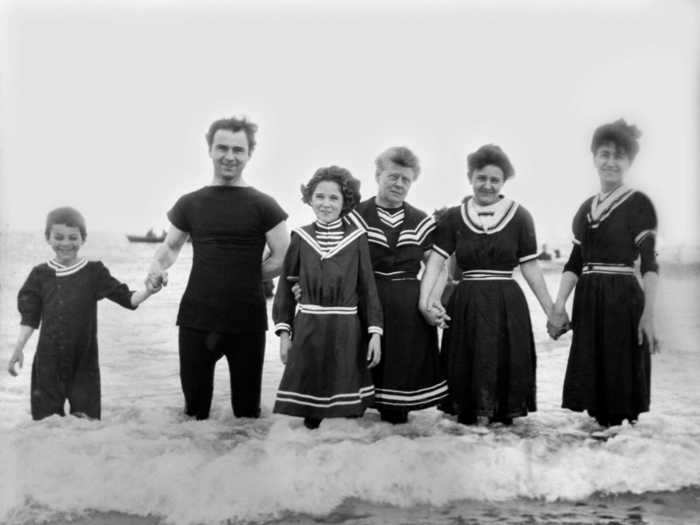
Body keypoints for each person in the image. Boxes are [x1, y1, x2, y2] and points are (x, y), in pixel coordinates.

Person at [146, 116, 289, 420]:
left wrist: (244, 274)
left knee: (247, 416)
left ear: (250, 154)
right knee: (194, 415)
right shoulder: (190, 203)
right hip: (197, 319)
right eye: (222, 147)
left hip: (247, 322)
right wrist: (156, 267)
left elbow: (282, 256)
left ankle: (246, 467)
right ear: (209, 149)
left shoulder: (264, 205)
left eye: (238, 150)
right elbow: (170, 247)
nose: (229, 156)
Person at [420, 144, 556, 425]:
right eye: (481, 178)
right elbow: (436, 261)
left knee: (505, 378)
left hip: (507, 301)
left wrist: (551, 310)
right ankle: (470, 437)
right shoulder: (453, 217)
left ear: (504, 182)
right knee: (466, 385)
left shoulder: (520, 216)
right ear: (470, 177)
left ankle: (502, 444)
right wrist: (425, 302)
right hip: (467, 301)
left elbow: (530, 266)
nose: (487, 185)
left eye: (495, 179)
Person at [549, 119, 659, 427]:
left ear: (629, 161)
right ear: (595, 158)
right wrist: (558, 306)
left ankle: (625, 456)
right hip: (589, 297)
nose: (610, 162)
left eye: (618, 156)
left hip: (623, 298)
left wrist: (649, 315)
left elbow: (650, 264)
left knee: (621, 382)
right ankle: (598, 453)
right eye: (604, 154)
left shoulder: (639, 204)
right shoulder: (585, 208)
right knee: (596, 389)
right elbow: (574, 263)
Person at [7, 207, 160, 420]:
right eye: (58, 237)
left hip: (84, 366)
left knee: (88, 429)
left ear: (83, 239)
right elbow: (30, 318)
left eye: (73, 237)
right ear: (48, 238)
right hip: (47, 364)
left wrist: (149, 291)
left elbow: (128, 298)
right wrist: (18, 349)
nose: (66, 243)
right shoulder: (39, 275)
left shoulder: (94, 272)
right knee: (45, 430)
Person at [272, 166, 383, 429]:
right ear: (310, 198)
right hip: (309, 329)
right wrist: (285, 335)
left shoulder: (357, 239)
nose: (325, 203)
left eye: (334, 198)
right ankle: (309, 461)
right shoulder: (300, 237)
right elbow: (285, 291)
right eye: (319, 196)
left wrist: (375, 333)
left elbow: (368, 288)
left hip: (346, 331)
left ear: (345, 202)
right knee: (311, 413)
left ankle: (343, 463)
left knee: (349, 411)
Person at [348, 147, 448, 424]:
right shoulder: (356, 215)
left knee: (397, 410)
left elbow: (438, 267)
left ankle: (399, 458)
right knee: (354, 409)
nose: (399, 184)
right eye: (393, 176)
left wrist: (430, 302)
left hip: (409, 313)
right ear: (378, 175)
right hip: (365, 307)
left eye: (406, 179)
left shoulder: (420, 220)